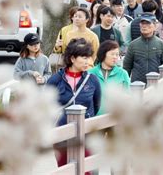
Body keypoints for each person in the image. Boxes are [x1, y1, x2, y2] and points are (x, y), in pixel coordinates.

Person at [47, 38, 101, 167]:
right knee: (65, 168)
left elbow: (96, 105)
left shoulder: (92, 80)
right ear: (72, 59)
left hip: (85, 134)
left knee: (85, 168)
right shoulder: (55, 80)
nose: (87, 61)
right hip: (62, 133)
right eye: (83, 57)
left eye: (88, 57)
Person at [123, 14, 163, 83]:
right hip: (137, 85)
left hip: (156, 85)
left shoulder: (162, 44)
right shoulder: (133, 45)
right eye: (142, 23)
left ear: (155, 26)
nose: (144, 26)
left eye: (148, 23)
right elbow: (126, 68)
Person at [89, 40, 130, 115]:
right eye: (112, 54)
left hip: (116, 118)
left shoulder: (123, 74)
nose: (115, 57)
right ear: (103, 54)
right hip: (94, 119)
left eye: (117, 55)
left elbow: (128, 96)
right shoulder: (90, 73)